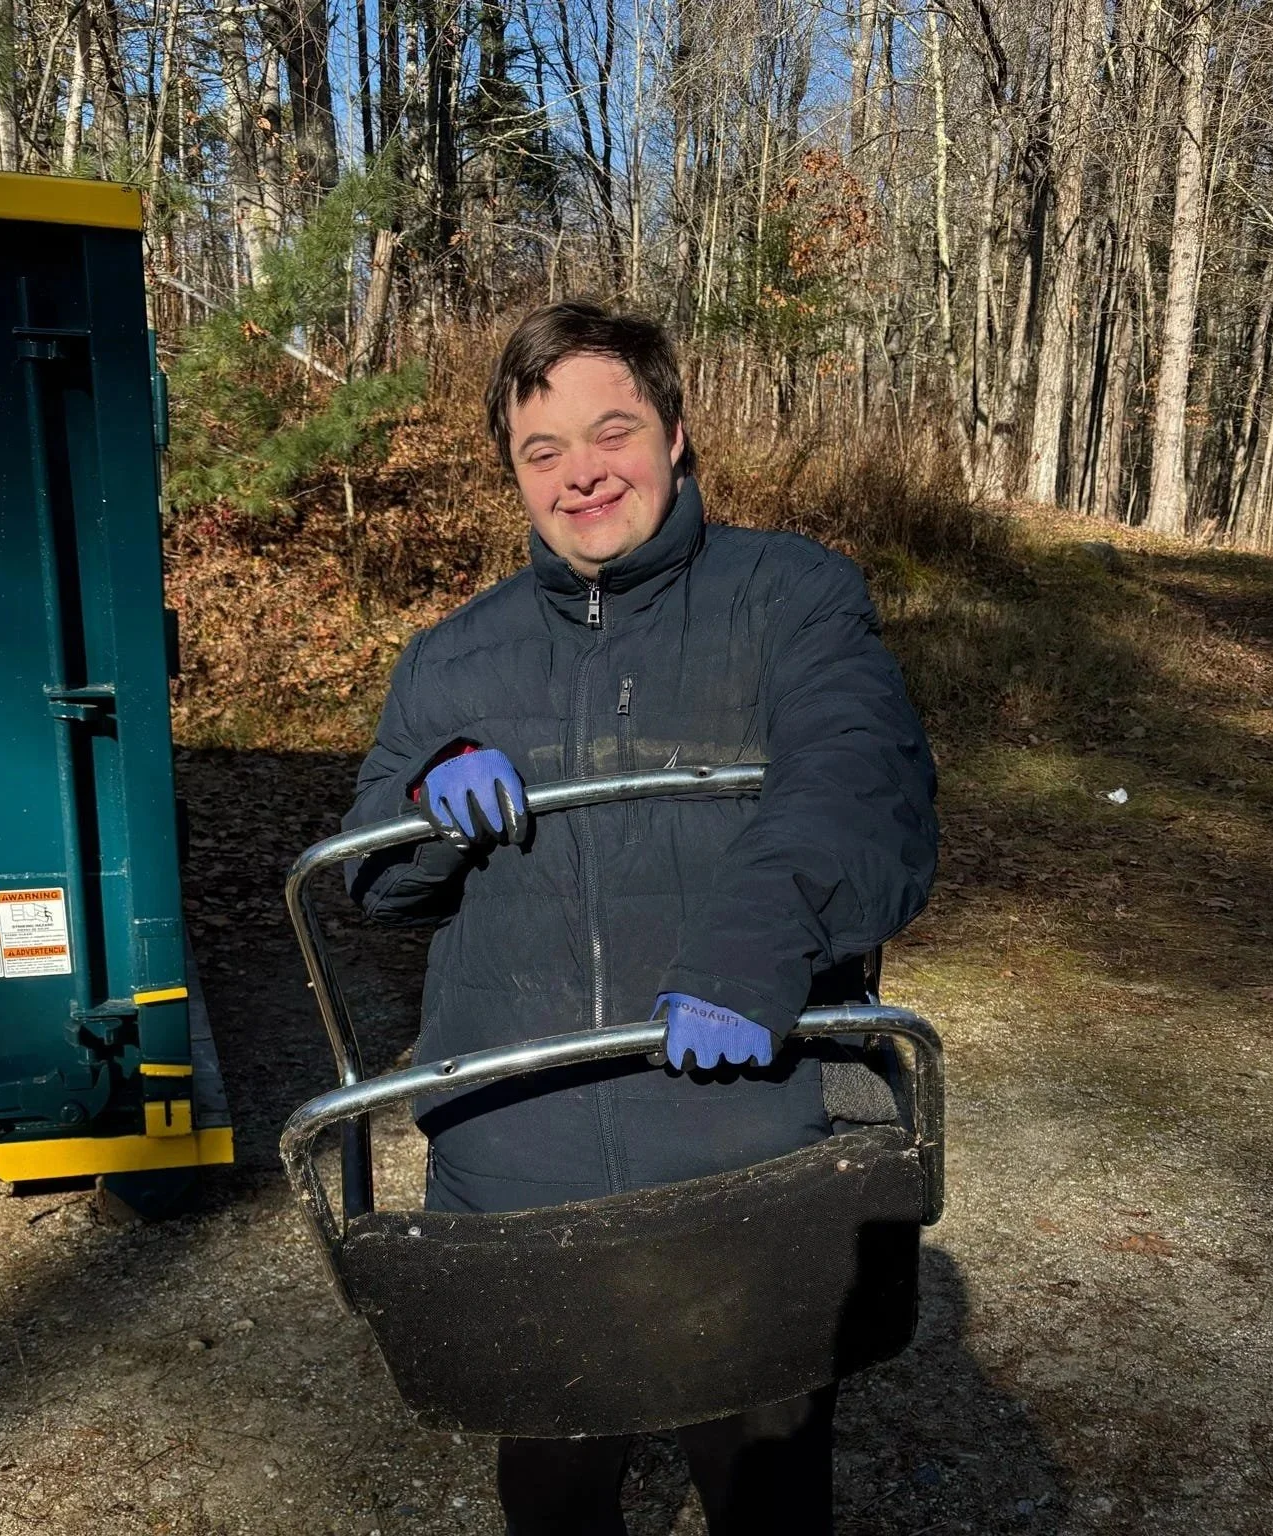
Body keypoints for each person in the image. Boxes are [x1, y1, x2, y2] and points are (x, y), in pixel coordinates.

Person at [342, 301, 938, 1536]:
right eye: (542, 450)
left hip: (743, 1139)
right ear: (514, 474)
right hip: (519, 1161)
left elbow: (854, 784)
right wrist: (422, 797)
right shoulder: (451, 659)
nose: (582, 474)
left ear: (673, 433)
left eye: (611, 431)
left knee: (764, 1482)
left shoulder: (792, 597)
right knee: (553, 1487)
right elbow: (373, 883)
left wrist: (750, 953)